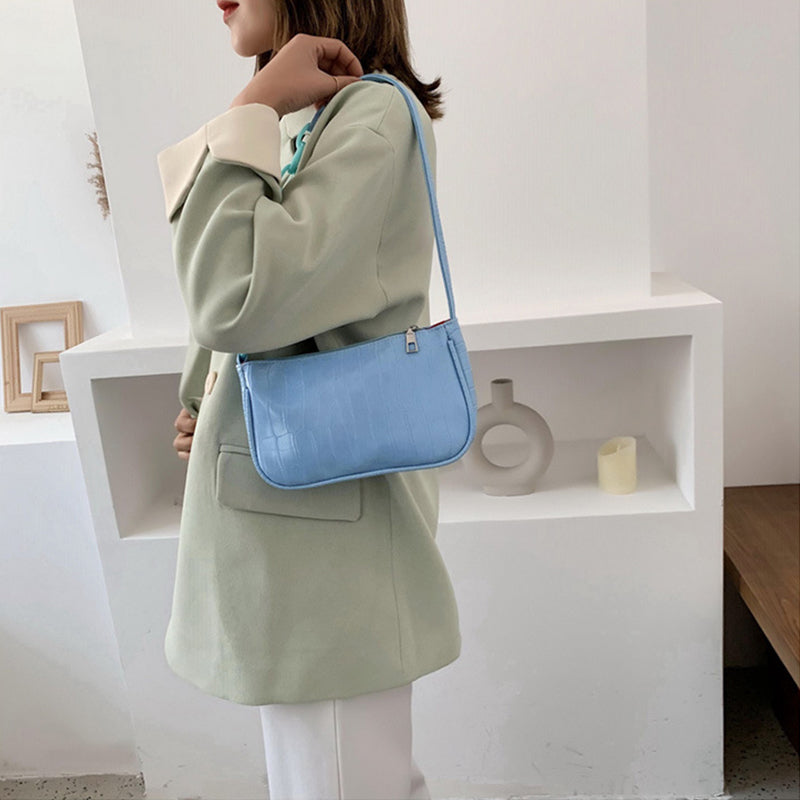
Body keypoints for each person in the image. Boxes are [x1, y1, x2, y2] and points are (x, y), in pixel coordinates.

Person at [158, 1, 460, 797]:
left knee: (339, 782)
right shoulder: (319, 121)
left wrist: (249, 107)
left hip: (324, 552)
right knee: (336, 776)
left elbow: (233, 295)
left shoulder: (371, 116)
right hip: (304, 538)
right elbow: (270, 308)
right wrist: (210, 403)